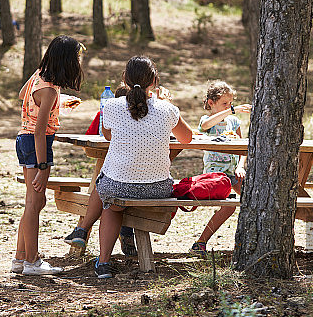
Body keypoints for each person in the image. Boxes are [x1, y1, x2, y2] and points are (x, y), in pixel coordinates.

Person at [65, 56, 193, 279]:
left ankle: (103, 262)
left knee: (110, 197)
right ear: (154, 80)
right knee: (112, 192)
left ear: (124, 79)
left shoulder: (112, 106)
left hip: (119, 187)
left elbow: (106, 135)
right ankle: (96, 242)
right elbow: (187, 139)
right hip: (158, 189)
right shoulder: (167, 109)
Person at [13, 36, 85, 275]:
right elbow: (40, 130)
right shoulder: (50, 91)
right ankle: (32, 262)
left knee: (34, 202)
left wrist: (57, 103)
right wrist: (44, 166)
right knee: (35, 203)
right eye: (77, 58)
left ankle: (20, 258)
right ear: (67, 61)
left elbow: (25, 94)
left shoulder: (39, 77)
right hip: (37, 144)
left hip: (24, 140)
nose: (79, 63)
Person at [68, 84, 138, 257]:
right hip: (141, 179)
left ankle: (82, 231)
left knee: (105, 184)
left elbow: (89, 145)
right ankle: (127, 236)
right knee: (113, 187)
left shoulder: (106, 113)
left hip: (117, 176)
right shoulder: (140, 116)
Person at [189, 81, 252, 257]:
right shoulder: (206, 121)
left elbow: (242, 147)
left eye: (230, 103)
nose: (229, 107)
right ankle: (200, 242)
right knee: (229, 207)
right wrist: (233, 110)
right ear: (211, 103)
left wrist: (241, 166)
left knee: (253, 197)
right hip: (215, 174)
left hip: (233, 172)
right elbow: (206, 126)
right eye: (225, 103)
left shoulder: (234, 122)